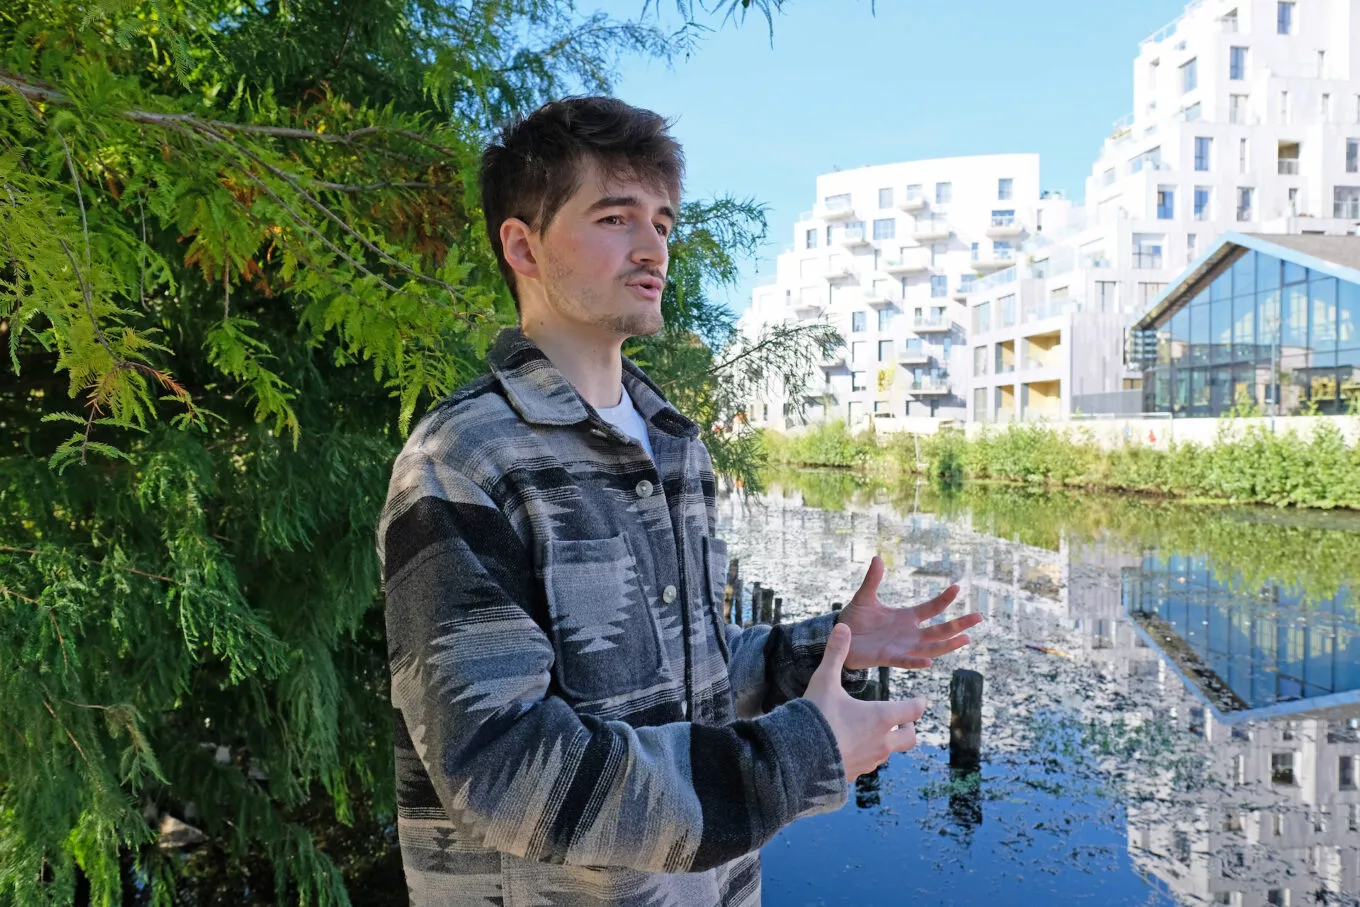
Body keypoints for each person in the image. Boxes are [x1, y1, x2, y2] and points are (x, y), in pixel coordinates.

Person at [376, 96, 983, 907]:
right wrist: (799, 753)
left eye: (662, 221)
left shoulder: (674, 445)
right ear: (522, 245)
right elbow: (501, 766)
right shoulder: (462, 464)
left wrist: (823, 645)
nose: (651, 244)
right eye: (615, 217)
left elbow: (685, 669)